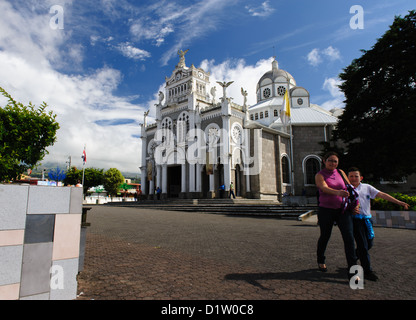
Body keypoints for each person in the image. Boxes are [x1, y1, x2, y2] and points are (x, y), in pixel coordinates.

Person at [347, 167, 409, 281]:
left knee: (369, 243)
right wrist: (349, 209)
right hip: (355, 221)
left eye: (356, 176)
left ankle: (353, 257)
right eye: (351, 176)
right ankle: (367, 271)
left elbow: (382, 194)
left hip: (367, 220)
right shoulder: (346, 189)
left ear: (361, 178)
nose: (354, 178)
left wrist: (398, 202)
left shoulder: (367, 187)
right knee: (363, 246)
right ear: (347, 178)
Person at [315, 152, 358, 277]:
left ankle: (353, 269)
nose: (332, 163)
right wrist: (337, 193)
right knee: (325, 235)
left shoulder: (340, 172)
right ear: (324, 161)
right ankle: (321, 259)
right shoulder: (320, 175)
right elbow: (323, 188)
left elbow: (350, 187)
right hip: (326, 210)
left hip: (343, 210)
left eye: (335, 161)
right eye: (330, 160)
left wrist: (355, 204)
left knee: (349, 238)